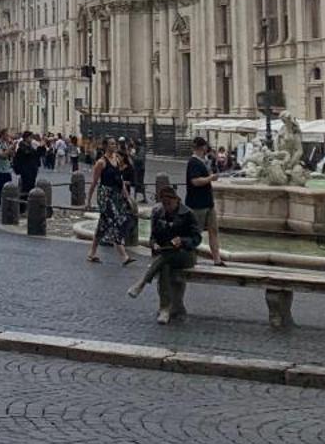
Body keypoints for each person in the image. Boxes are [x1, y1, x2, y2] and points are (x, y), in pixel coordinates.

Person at [129, 183, 203, 325]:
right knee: (165, 265)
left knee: (166, 259)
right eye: (164, 204)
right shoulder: (158, 213)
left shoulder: (188, 214)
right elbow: (153, 237)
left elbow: (197, 238)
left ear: (177, 200)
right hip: (166, 253)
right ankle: (165, 309)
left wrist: (182, 240)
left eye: (169, 203)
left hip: (185, 255)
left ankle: (143, 283)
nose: (166, 207)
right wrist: (154, 244)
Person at [87, 140, 135, 266]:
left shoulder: (118, 160)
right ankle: (124, 256)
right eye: (112, 144)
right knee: (115, 221)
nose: (114, 146)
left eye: (115, 144)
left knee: (103, 225)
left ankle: (92, 253)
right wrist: (88, 200)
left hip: (116, 195)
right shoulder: (101, 162)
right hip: (105, 195)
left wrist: (127, 197)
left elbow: (121, 179)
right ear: (105, 146)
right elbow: (94, 182)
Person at [185, 137, 225, 266]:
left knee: (213, 231)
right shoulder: (193, 162)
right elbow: (195, 181)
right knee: (196, 233)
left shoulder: (203, 161)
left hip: (208, 203)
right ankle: (191, 258)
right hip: (197, 204)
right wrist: (210, 178)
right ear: (203, 147)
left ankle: (217, 259)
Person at [13, 131, 41, 198]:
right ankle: (23, 205)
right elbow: (27, 155)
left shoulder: (30, 147)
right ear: (26, 138)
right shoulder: (22, 147)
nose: (31, 139)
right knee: (25, 189)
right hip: (26, 171)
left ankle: (28, 204)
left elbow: (36, 155)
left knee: (30, 188)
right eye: (30, 137)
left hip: (32, 171)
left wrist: (41, 148)